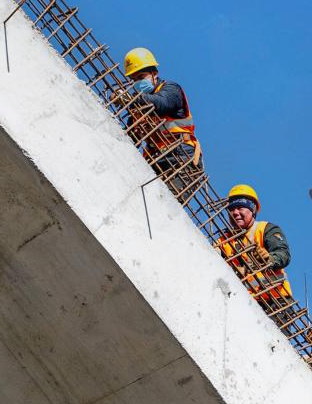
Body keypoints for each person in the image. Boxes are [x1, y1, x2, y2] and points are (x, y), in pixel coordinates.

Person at [121, 46, 199, 174]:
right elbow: (131, 136)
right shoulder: (137, 104)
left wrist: (132, 99)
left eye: (141, 77)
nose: (137, 83)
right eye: (134, 80)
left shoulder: (171, 88)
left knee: (173, 192)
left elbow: (162, 103)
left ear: (154, 74)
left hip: (181, 153)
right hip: (155, 157)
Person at [215, 184, 293, 308]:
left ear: (253, 210)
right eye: (231, 208)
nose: (235, 212)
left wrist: (270, 259)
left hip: (275, 301)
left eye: (240, 207)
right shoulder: (223, 241)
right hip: (243, 303)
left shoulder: (265, 229)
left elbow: (283, 254)